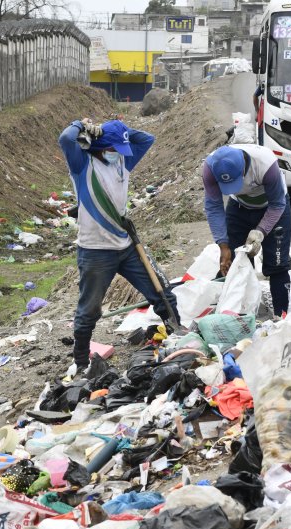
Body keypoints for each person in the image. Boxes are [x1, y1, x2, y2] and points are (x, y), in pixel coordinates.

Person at [59, 117, 177, 370]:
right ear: (100, 147)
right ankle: (80, 361)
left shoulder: (123, 160)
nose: (118, 154)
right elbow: (65, 138)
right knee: (89, 310)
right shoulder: (82, 165)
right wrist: (81, 124)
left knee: (163, 292)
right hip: (95, 252)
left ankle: (177, 338)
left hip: (126, 246)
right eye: (113, 149)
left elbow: (146, 138)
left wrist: (119, 132)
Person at [202, 144, 291, 316]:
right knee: (239, 263)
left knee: (277, 264)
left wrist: (260, 232)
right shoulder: (209, 168)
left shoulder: (265, 164)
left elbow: (277, 204)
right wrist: (223, 245)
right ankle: (242, 317)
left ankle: (281, 317)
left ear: (244, 168)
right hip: (239, 207)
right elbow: (213, 206)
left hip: (273, 208)